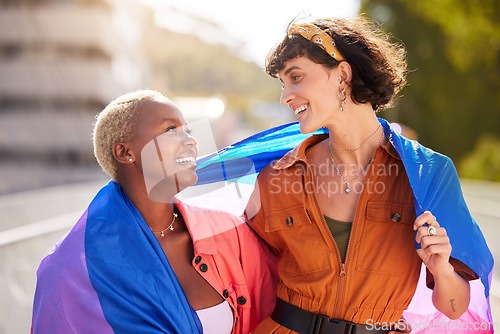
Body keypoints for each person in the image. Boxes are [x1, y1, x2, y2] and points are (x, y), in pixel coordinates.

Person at [244, 16, 491, 334]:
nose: (285, 97)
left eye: (296, 78)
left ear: (342, 75)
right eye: (283, 84)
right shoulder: (276, 179)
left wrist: (441, 268)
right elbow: (245, 278)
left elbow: (455, 309)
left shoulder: (428, 174)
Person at [31, 90, 279, 334]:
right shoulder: (71, 269)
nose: (192, 141)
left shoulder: (228, 234)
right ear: (125, 153)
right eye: (171, 130)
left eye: (189, 131)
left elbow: (284, 303)